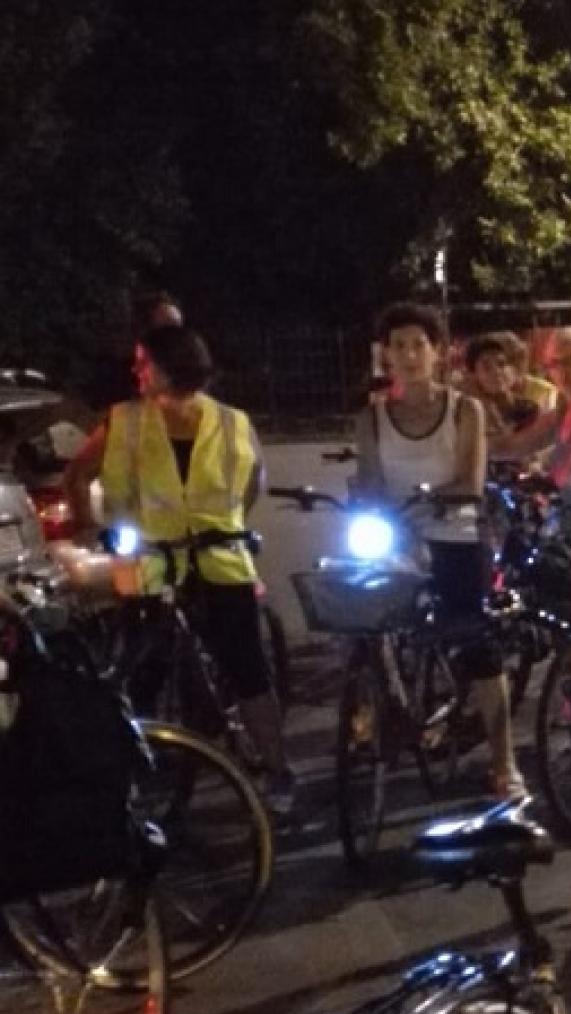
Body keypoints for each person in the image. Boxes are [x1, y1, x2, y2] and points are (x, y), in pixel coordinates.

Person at [65, 325, 297, 816]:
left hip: (219, 558)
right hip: (145, 560)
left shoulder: (232, 423)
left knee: (247, 668)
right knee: (137, 670)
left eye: (143, 362)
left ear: (166, 369)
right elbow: (78, 474)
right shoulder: (123, 420)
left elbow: (252, 481)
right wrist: (90, 528)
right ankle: (130, 772)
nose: (136, 371)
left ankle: (278, 771)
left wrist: (228, 526)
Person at [352, 302, 527, 804]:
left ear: (436, 353)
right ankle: (378, 712)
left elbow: (470, 482)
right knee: (360, 621)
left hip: (455, 535)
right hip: (394, 539)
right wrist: (376, 512)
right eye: (398, 345)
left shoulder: (463, 409)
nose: (408, 355)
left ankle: (503, 762)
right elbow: (368, 483)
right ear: (385, 355)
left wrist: (428, 499)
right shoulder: (371, 418)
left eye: (417, 345)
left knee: (477, 646)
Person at [489, 326, 571, 488]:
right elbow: (515, 445)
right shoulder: (563, 408)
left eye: (570, 362)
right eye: (554, 364)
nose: (561, 372)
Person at [465, 332, 537, 442]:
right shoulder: (470, 416)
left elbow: (519, 450)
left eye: (501, 364)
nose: (497, 372)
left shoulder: (529, 409)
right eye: (487, 367)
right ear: (474, 376)